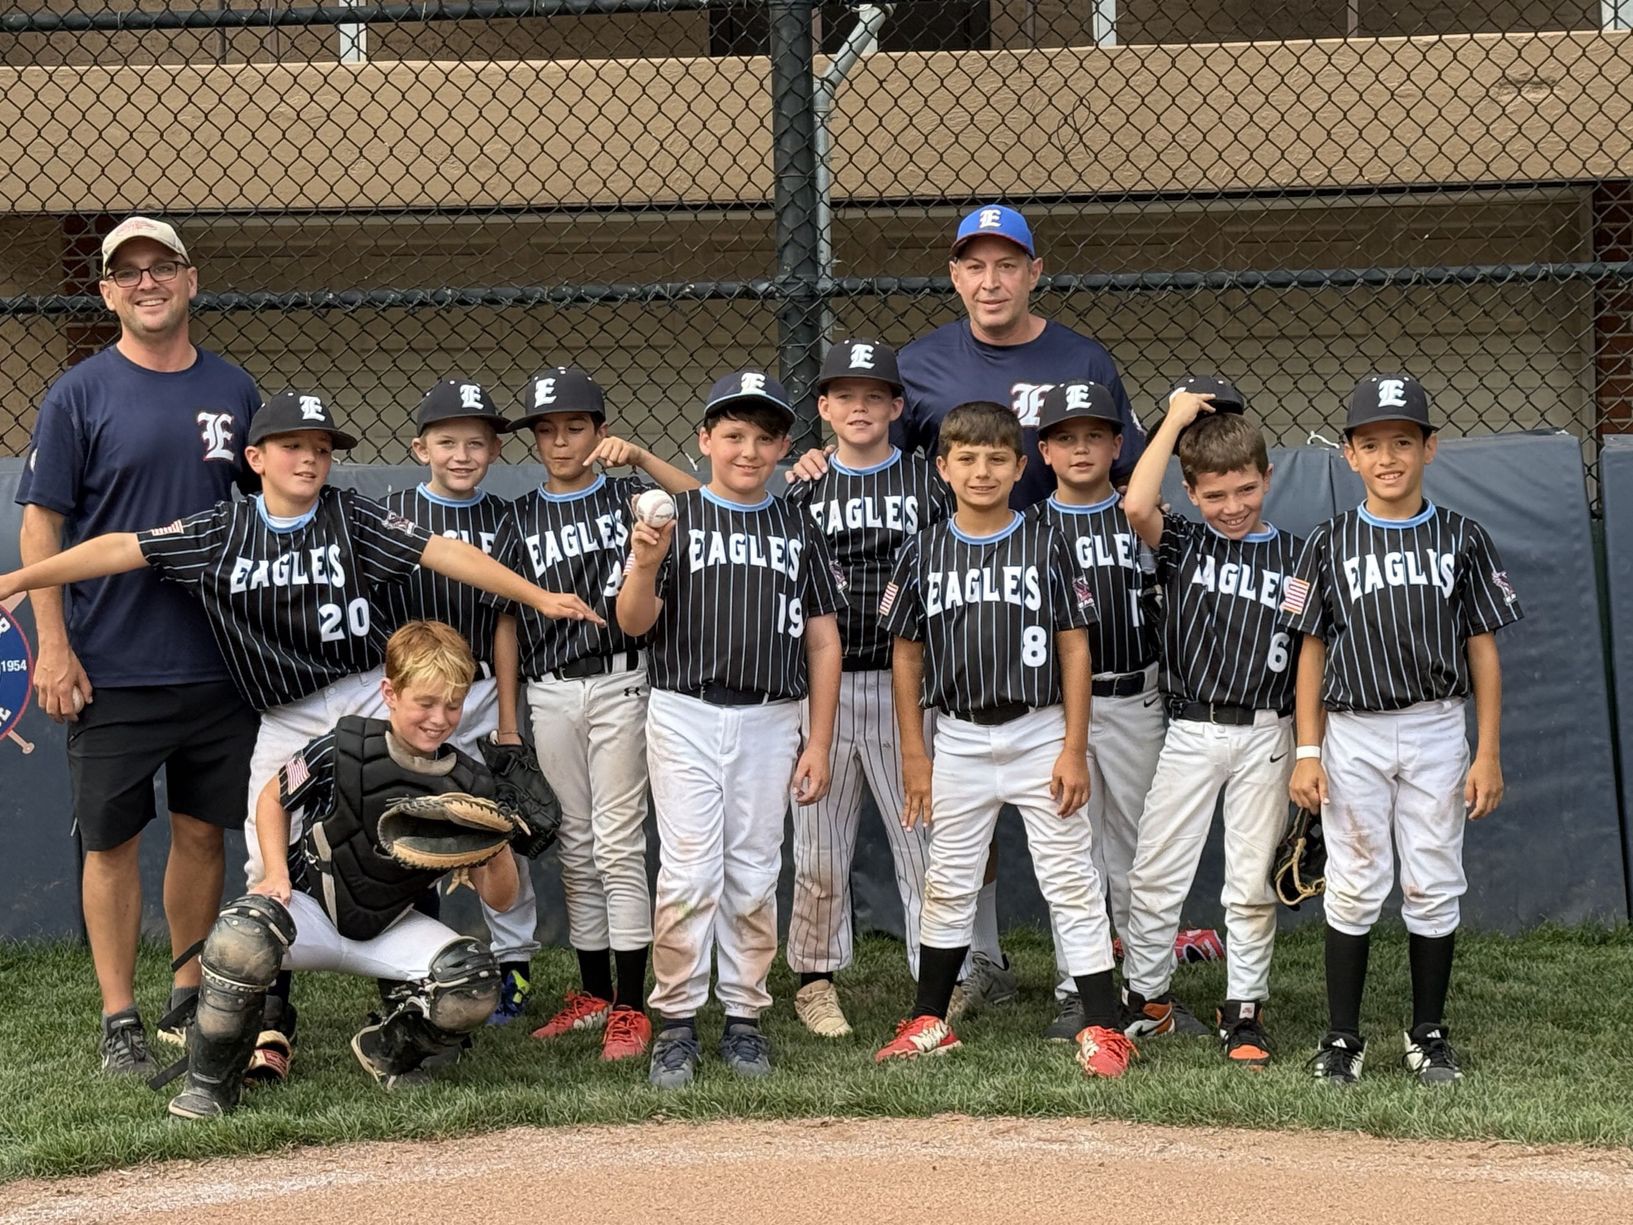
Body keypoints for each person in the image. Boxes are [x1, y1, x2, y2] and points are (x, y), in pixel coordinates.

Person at [0, 391, 601, 1079]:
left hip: (364, 698)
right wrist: (18, 576)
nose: (310, 458)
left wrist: (536, 596)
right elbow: (119, 548)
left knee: (404, 839)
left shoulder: (351, 515)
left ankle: (409, 1003)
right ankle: (267, 1024)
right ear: (254, 458)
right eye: (293, 446)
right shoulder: (220, 530)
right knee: (269, 871)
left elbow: (441, 550)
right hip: (283, 718)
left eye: (320, 447)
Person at [787, 204, 1146, 1020]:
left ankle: (1088, 990)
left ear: (1032, 271)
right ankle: (975, 963)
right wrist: (815, 456)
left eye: (1006, 264)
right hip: (953, 606)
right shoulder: (918, 365)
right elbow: (873, 449)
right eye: (973, 266)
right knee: (956, 831)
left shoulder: (1079, 356)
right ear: (953, 275)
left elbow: (1115, 473)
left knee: (1065, 824)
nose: (990, 281)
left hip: (1045, 581)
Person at [14, 215, 262, 1075]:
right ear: (108, 291)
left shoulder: (237, 391)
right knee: (109, 843)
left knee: (202, 832)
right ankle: (119, 1019)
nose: (148, 282)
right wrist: (54, 645)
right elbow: (42, 524)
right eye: (130, 272)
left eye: (164, 267)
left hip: (219, 662)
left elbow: (268, 519)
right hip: (111, 661)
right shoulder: (78, 393)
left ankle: (189, 992)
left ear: (193, 281)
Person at [164, 621, 529, 1119]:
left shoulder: (470, 784)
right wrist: (275, 873)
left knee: (473, 981)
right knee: (239, 937)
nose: (439, 718)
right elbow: (274, 796)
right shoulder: (343, 745)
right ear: (390, 693)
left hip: (391, 924)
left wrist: (498, 844)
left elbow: (502, 900)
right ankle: (209, 1086)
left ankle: (389, 1050)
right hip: (313, 910)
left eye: (453, 704)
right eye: (425, 702)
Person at [871, 401, 1133, 1078]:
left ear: (1020, 466)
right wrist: (914, 754)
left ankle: (1102, 1025)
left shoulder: (1045, 539)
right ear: (942, 467)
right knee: (948, 879)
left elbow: (1076, 648)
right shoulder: (924, 546)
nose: (981, 470)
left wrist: (1074, 746)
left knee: (1070, 880)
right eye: (966, 457)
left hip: (1040, 728)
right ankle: (930, 1017)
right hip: (956, 734)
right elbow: (905, 654)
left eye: (996, 458)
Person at [1282, 375, 1521, 1086]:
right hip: (1350, 727)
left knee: (1432, 878)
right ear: (1349, 455)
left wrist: (1487, 750)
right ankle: (1341, 1036)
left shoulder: (1460, 535)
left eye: (1402, 442)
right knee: (1353, 880)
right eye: (1370, 444)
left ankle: (1427, 1032)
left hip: (1435, 725)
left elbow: (1482, 647)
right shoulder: (1328, 540)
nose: (1387, 457)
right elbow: (1310, 647)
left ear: (1429, 448)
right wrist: (1305, 749)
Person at [618, 370, 845, 1089]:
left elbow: (822, 641)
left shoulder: (795, 524)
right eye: (734, 435)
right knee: (688, 870)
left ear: (783, 448)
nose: (748, 450)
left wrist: (818, 738)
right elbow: (633, 623)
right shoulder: (675, 519)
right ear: (705, 441)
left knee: (752, 871)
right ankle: (678, 1020)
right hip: (684, 707)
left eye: (764, 438)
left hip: (772, 715)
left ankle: (744, 1016)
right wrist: (644, 564)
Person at [495, 366, 698, 1061]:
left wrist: (641, 457)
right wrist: (508, 711)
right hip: (549, 687)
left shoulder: (630, 499)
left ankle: (631, 1006)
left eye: (574, 427)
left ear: (599, 431)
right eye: (547, 430)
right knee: (576, 844)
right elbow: (505, 618)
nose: (559, 440)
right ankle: (591, 994)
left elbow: (708, 504)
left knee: (617, 842)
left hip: (620, 679)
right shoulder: (519, 515)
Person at [1119, 378, 1304, 1064]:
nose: (1232, 506)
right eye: (1215, 494)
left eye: (1245, 489)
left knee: (1251, 880)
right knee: (1155, 869)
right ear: (1192, 493)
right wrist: (1170, 421)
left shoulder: (1297, 555)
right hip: (1191, 726)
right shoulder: (1185, 544)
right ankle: (1148, 997)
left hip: (1266, 727)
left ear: (1266, 477)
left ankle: (1244, 1008)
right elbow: (1137, 501)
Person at [782, 340, 949, 1038]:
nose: (858, 406)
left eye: (872, 394)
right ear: (822, 407)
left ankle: (943, 976)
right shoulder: (803, 485)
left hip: (904, 679)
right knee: (819, 848)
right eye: (843, 395)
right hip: (821, 682)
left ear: (895, 406)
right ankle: (814, 978)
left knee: (923, 842)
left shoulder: (926, 483)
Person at [377, 378, 542, 1025]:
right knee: (408, 828)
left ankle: (514, 966)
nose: (462, 453)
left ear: (496, 450)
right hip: (409, 700)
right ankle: (413, 961)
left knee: (493, 831)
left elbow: (505, 622)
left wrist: (505, 717)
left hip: (474, 698)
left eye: (476, 442)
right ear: (421, 447)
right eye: (447, 441)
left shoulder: (499, 519)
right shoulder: (391, 511)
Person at [1026, 381, 1164, 1041]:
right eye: (1065, 437)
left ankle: (1145, 991)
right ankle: (1075, 989)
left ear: (1117, 445)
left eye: (1094, 436)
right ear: (1044, 450)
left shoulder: (1140, 515)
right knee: (1070, 853)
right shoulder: (1028, 529)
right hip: (1059, 710)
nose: (1080, 448)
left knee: (1139, 850)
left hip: (1136, 694)